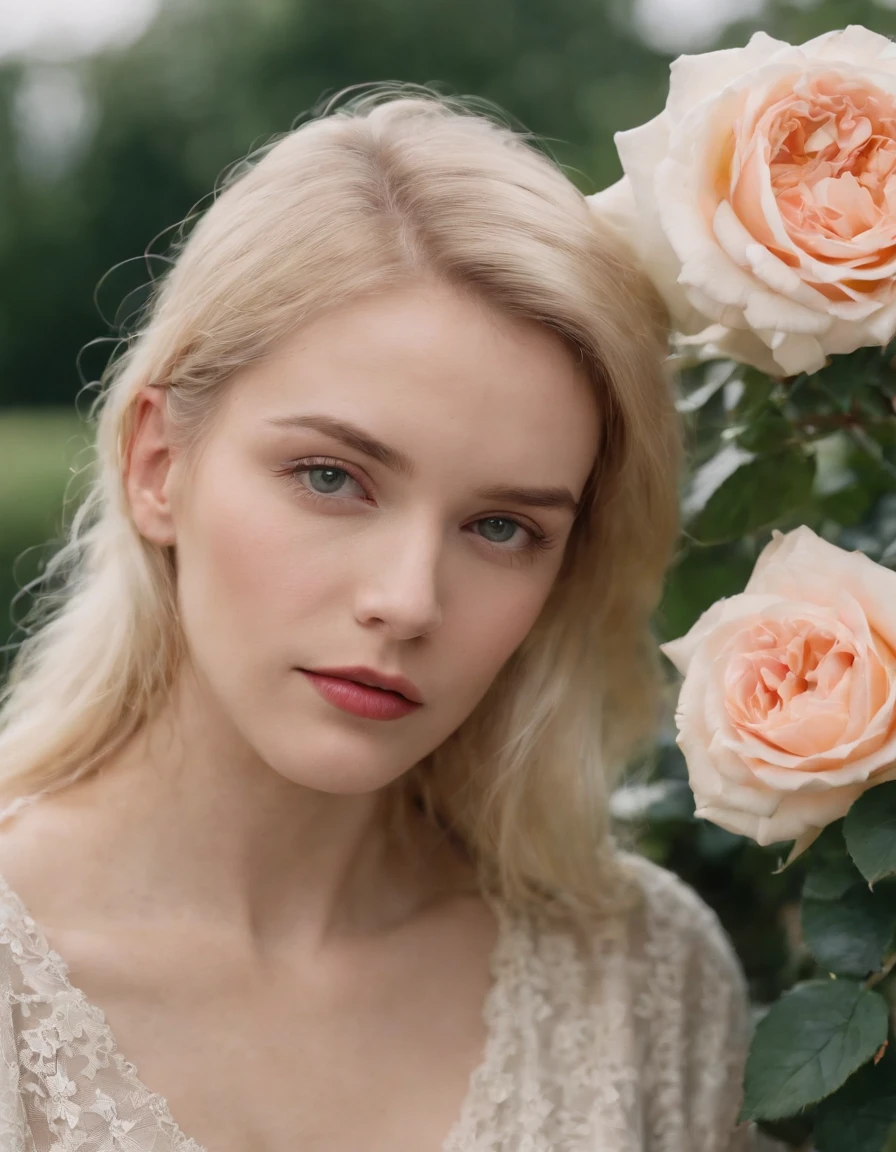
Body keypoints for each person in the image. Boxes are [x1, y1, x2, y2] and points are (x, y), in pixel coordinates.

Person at [0, 88, 759, 1151]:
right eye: (331, 477)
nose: (405, 601)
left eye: (500, 528)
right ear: (157, 464)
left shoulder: (641, 981)